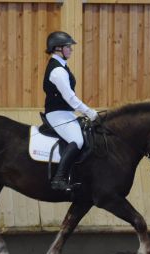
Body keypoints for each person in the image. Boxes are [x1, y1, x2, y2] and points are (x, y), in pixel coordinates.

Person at [43, 31, 98, 191]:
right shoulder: (57, 71)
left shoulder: (61, 66)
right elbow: (70, 98)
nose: (71, 50)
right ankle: (58, 179)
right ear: (58, 48)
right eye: (68, 47)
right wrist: (89, 112)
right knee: (78, 140)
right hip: (57, 113)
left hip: (65, 113)